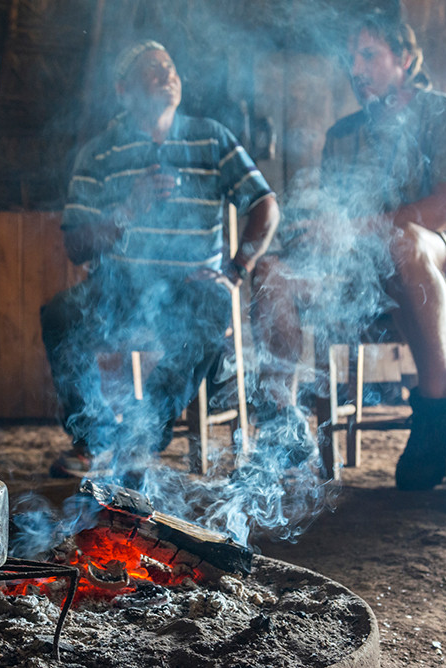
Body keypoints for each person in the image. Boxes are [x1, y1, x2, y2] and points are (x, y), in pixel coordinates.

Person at [250, 17, 446, 489]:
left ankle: (435, 411)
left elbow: (445, 211)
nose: (356, 69)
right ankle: (283, 426)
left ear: (406, 59)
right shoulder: (344, 135)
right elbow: (339, 223)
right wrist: (317, 239)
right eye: (351, 58)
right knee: (270, 273)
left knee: (404, 242)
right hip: (365, 270)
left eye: (368, 55)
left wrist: (351, 228)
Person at [42, 40, 280, 478]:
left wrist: (235, 270)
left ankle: (140, 437)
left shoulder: (211, 137)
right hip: (120, 285)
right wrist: (127, 210)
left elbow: (265, 206)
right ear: (123, 90)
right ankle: (93, 440)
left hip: (191, 285)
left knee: (212, 304)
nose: (168, 74)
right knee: (60, 315)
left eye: (170, 67)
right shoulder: (100, 152)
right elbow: (75, 244)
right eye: (153, 69)